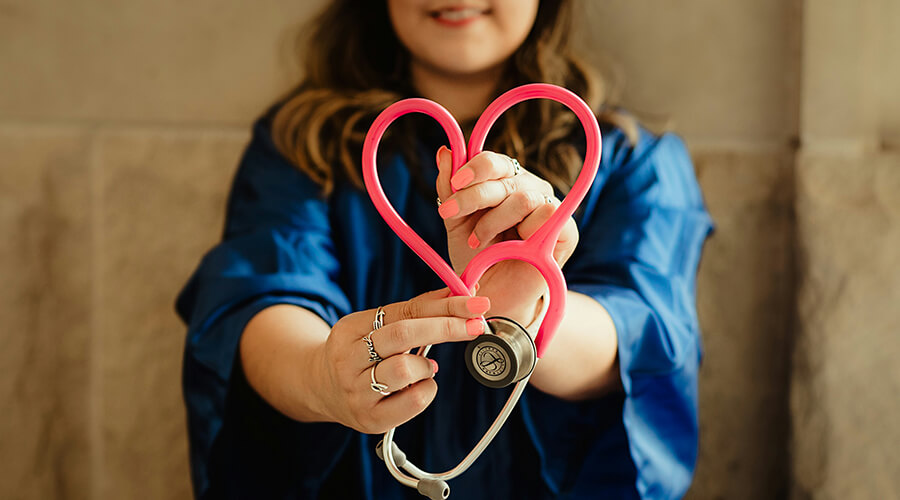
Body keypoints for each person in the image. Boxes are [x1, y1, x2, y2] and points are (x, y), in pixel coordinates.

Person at [176, 0, 713, 498]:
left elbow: (642, 331)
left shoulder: (636, 164)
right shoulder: (298, 147)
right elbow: (259, 295)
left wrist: (525, 311)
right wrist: (321, 378)